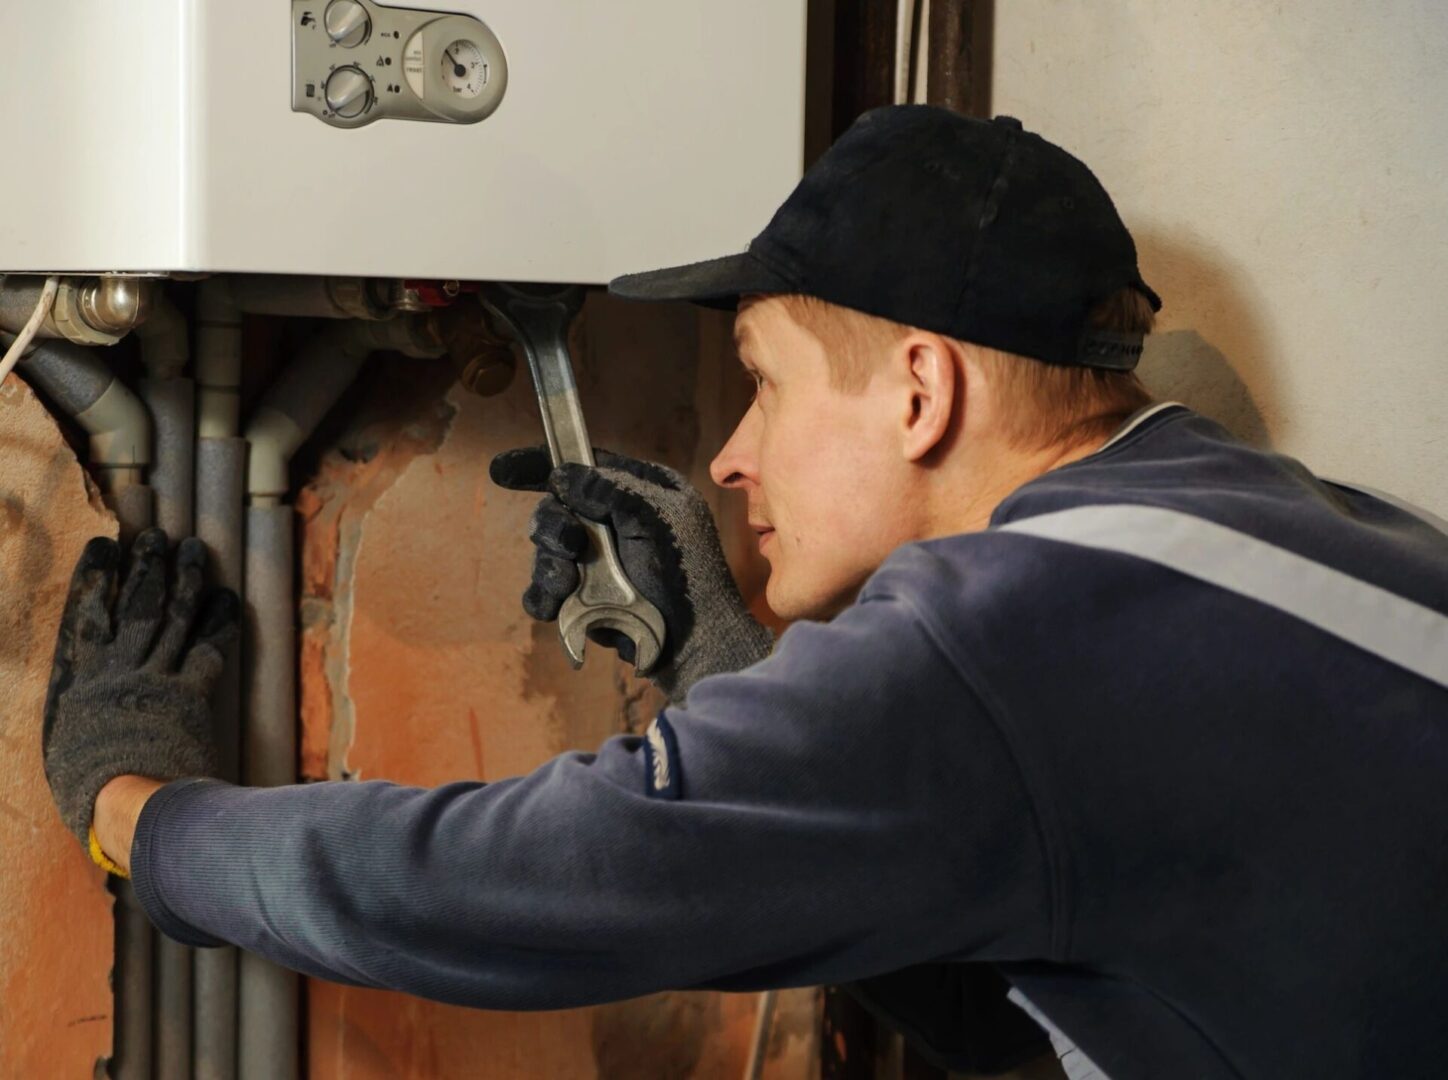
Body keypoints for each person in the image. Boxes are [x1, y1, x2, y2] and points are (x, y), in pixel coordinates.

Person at [45, 107, 1448, 1079]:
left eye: (767, 383)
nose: (727, 454)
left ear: (920, 390)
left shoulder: (1008, 632)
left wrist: (135, 813)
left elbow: (519, 887)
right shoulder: (1298, 522)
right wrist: (730, 666)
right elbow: (994, 1005)